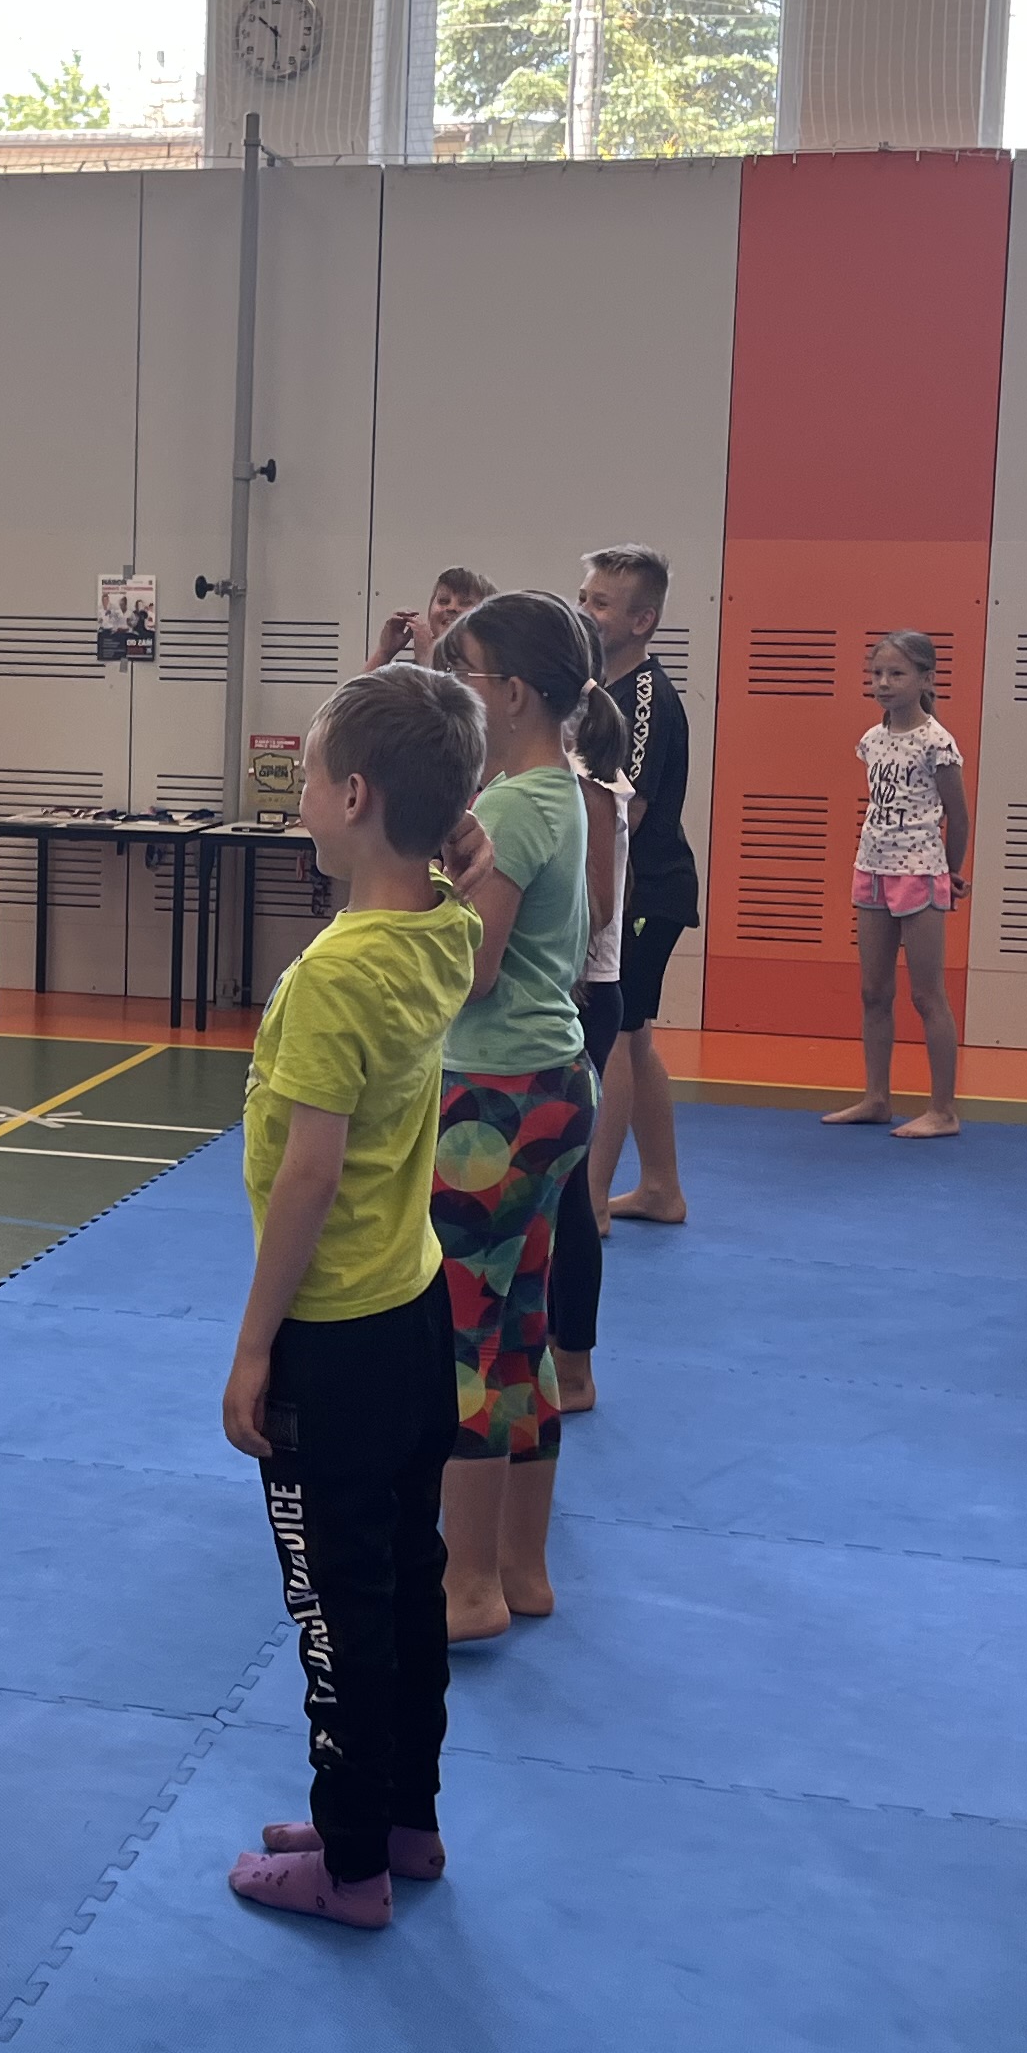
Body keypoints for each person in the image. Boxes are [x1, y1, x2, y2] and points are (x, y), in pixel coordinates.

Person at [220, 663, 490, 1931]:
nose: (300, 797)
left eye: (313, 776)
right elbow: (459, 883)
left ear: (356, 795)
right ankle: (402, 1818)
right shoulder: (444, 929)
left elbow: (310, 1174)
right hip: (415, 1312)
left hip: (334, 1335)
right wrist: (455, 844)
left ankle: (349, 1863)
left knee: (336, 1602)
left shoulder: (336, 974)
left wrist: (252, 1347)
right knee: (406, 1577)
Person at [431, 591, 604, 1641]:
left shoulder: (513, 809)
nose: (460, 690)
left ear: (515, 694)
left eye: (469, 674)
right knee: (517, 1332)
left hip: (493, 1094)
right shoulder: (555, 792)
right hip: (550, 1081)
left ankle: (467, 1587)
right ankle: (519, 1567)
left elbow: (475, 968)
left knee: (465, 1339)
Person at [578, 544, 701, 1227]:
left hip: (646, 891)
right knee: (638, 1035)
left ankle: (592, 1197)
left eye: (600, 602)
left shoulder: (647, 696)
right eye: (584, 595)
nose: (585, 609)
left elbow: (630, 811)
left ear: (641, 620)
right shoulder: (596, 691)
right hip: (621, 887)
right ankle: (660, 1188)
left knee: (618, 1037)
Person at [827, 629, 969, 1141]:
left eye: (897, 674)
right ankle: (877, 1097)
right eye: (877, 674)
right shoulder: (872, 740)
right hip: (872, 868)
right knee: (873, 991)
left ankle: (943, 1109)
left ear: (926, 679)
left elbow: (957, 814)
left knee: (927, 994)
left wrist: (951, 872)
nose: (884, 683)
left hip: (920, 871)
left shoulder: (937, 742)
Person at [549, 683, 633, 1415]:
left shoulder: (592, 793)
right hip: (562, 991)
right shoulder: (557, 789)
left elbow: (599, 905)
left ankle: (574, 1366)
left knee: (569, 1186)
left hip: (583, 993)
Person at [371, 564, 494, 672]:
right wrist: (384, 653)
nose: (452, 607)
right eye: (443, 601)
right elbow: (359, 691)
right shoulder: (408, 670)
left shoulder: (493, 669)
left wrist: (428, 659)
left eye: (465, 603)